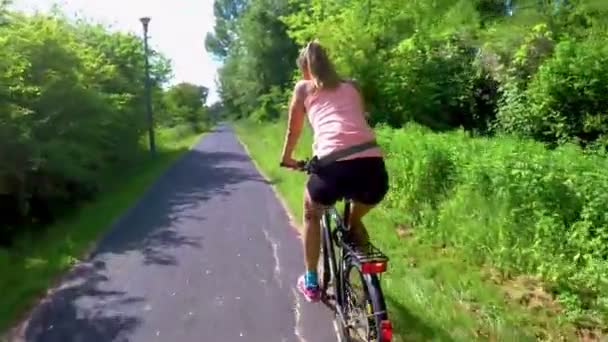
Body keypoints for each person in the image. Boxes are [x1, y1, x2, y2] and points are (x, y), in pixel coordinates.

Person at [279, 40, 389, 302]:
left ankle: (311, 281)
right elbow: (357, 119)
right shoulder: (351, 86)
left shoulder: (304, 88)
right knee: (357, 212)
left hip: (332, 167)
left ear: (306, 69)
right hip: (373, 166)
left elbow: (293, 130)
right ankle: (353, 227)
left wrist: (287, 158)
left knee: (311, 212)